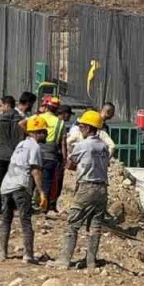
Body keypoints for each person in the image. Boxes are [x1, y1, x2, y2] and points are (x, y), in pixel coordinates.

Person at [57, 110, 111, 269]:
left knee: (73, 223)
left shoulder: (83, 145)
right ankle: (91, 261)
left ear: (88, 128)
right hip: (102, 189)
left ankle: (64, 260)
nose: (80, 128)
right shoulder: (103, 147)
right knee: (95, 226)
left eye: (82, 125)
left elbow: (70, 164)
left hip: (86, 187)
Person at [0, 117, 47, 262]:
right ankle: (28, 255)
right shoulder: (35, 147)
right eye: (44, 132)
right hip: (21, 186)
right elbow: (35, 170)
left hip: (7, 185)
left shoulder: (21, 144)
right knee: (25, 220)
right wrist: (41, 191)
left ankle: (1, 252)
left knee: (6, 220)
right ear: (37, 133)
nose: (46, 135)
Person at [0, 96, 24, 214]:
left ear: (7, 105)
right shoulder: (21, 120)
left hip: (0, 155)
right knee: (13, 181)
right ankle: (10, 207)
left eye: (1, 105)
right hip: (16, 155)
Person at [37, 97, 68, 214]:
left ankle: (33, 204)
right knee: (47, 181)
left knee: (34, 179)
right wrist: (64, 159)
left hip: (37, 153)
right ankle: (44, 207)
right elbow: (63, 143)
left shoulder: (38, 118)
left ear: (47, 107)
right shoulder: (60, 123)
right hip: (51, 155)